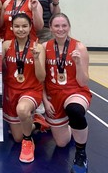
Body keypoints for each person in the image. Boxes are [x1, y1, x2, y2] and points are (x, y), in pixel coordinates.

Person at [43, 13, 91, 173]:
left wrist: (78, 63)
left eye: (64, 25)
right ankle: (70, 128)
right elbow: (40, 78)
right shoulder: (44, 47)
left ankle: (81, 153)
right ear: (50, 28)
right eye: (56, 26)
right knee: (61, 143)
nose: (60, 29)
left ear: (69, 27)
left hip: (75, 91)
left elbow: (83, 81)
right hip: (53, 96)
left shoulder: (79, 47)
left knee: (75, 111)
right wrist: (44, 100)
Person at [2, 12, 49, 163]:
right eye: (17, 26)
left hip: (30, 90)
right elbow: (0, 68)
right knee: (16, 138)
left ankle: (28, 141)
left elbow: (41, 78)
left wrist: (36, 59)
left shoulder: (38, 47)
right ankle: (36, 123)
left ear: (30, 28)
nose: (20, 29)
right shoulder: (6, 45)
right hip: (11, 91)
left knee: (22, 110)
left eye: (24, 26)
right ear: (12, 27)